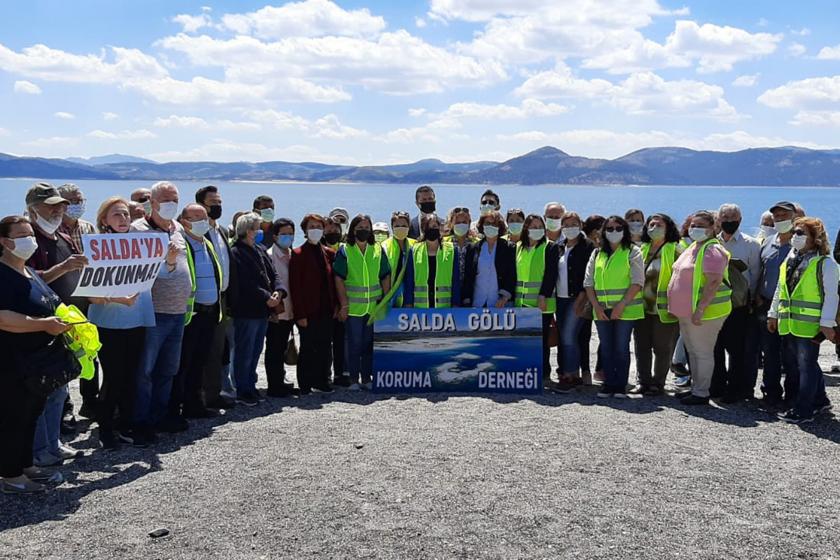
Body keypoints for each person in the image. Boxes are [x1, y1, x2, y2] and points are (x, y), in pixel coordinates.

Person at [0, 216, 77, 493]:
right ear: (4, 242)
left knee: (30, 414)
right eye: (21, 235)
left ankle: (26, 465)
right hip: (11, 361)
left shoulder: (28, 270)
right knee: (13, 417)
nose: (29, 240)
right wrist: (44, 325)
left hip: (37, 361)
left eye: (30, 233)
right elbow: (3, 318)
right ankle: (11, 476)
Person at [24, 183, 87, 465]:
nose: (59, 210)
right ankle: (37, 452)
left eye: (61, 205)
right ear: (33, 208)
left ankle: (53, 443)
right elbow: (27, 281)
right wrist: (62, 268)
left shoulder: (62, 237)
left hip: (66, 324)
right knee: (40, 393)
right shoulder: (28, 239)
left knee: (60, 389)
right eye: (51, 205)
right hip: (39, 326)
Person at [87, 198, 154, 449]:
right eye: (116, 215)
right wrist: (117, 298)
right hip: (109, 324)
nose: (123, 219)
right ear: (104, 220)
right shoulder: (96, 248)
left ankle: (125, 425)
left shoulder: (142, 245)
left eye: (126, 214)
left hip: (137, 321)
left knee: (131, 377)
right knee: (113, 378)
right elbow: (90, 294)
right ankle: (105, 429)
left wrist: (167, 259)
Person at [130, 181, 193, 442]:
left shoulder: (177, 227)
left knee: (168, 369)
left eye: (175, 199)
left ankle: (160, 415)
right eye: (166, 199)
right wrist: (165, 263)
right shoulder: (138, 230)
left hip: (178, 311)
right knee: (145, 371)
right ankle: (140, 421)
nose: (171, 204)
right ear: (153, 203)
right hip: (153, 311)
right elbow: (137, 271)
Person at [768, 217, 838, 424]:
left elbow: (832, 295)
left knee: (806, 365)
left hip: (810, 326)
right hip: (789, 323)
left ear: (815, 238)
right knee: (803, 364)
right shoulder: (790, 258)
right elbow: (780, 289)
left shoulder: (825, 264)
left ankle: (804, 409)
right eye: (794, 232)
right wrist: (773, 313)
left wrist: (827, 323)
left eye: (800, 233)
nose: (795, 236)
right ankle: (820, 400)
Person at [667, 210, 732, 405]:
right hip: (687, 311)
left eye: (701, 226)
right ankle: (696, 388)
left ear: (713, 228)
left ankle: (702, 392)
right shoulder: (694, 247)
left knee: (702, 352)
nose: (695, 229)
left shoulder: (713, 250)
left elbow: (714, 282)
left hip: (705, 313)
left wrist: (701, 309)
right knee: (693, 351)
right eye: (693, 225)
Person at [169, 204, 223, 420]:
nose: (202, 221)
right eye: (196, 217)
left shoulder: (207, 243)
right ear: (184, 221)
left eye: (204, 217)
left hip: (210, 312)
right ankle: (176, 408)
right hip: (191, 315)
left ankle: (195, 405)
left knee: (200, 361)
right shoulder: (181, 244)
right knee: (183, 363)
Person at [584, 216, 643, 398]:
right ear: (603, 231)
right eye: (609, 228)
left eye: (618, 228)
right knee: (606, 347)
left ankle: (620, 385)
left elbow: (637, 281)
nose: (614, 231)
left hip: (626, 309)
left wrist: (621, 305)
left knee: (621, 348)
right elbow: (588, 283)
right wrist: (596, 307)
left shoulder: (633, 251)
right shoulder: (597, 253)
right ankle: (608, 384)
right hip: (601, 309)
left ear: (625, 230)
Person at [57, 183, 100, 422]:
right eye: (72, 201)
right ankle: (64, 408)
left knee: (89, 349)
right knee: (64, 353)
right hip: (64, 299)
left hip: (87, 298)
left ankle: (90, 401)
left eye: (80, 200)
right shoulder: (53, 230)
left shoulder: (88, 227)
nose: (77, 205)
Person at [229, 212, 282, 406]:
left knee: (256, 349)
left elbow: (273, 273)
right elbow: (245, 282)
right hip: (248, 310)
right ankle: (243, 389)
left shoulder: (259, 249)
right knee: (245, 350)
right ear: (247, 230)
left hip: (263, 311)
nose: (260, 231)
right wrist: (266, 297)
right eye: (256, 228)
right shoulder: (236, 252)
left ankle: (250, 385)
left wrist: (278, 291)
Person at [334, 214, 391, 390]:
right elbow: (339, 278)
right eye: (360, 227)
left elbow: (385, 275)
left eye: (367, 227)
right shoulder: (345, 250)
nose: (363, 230)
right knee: (354, 344)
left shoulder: (378, 249)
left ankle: (367, 378)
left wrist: (386, 300)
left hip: (373, 307)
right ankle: (353, 379)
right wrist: (343, 304)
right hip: (353, 308)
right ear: (353, 229)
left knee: (368, 345)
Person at [713, 203, 762, 402]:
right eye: (725, 220)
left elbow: (756, 274)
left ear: (740, 221)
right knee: (714, 348)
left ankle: (735, 389)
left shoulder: (751, 245)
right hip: (714, 304)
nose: (729, 223)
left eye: (733, 220)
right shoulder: (711, 243)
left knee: (736, 350)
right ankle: (716, 386)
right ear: (718, 220)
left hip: (738, 306)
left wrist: (752, 299)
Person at [195, 185, 237, 410]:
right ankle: (200, 397)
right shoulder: (197, 233)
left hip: (222, 298)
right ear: (202, 205)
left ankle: (213, 394)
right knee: (202, 349)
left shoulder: (221, 231)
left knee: (218, 349)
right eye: (213, 203)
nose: (218, 206)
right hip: (203, 300)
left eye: (219, 202)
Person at [631, 213, 682, 396]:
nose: (654, 228)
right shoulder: (640, 248)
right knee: (641, 346)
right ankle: (643, 381)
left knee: (663, 348)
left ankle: (658, 383)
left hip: (664, 309)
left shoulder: (676, 249)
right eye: (651, 224)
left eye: (659, 225)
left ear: (668, 227)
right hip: (640, 307)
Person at [755, 201, 798, 406]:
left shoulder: (801, 244)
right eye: (777, 216)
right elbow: (760, 271)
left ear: (794, 217)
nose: (780, 219)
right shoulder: (767, 242)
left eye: (784, 215)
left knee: (791, 355)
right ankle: (770, 393)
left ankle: (793, 395)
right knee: (770, 353)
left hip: (791, 309)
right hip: (766, 305)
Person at [290, 214, 339, 394]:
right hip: (308, 311)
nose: (315, 230)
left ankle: (323, 380)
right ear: (305, 230)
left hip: (326, 310)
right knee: (308, 347)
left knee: (326, 347)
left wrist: (336, 306)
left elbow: (334, 283)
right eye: (312, 226)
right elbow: (295, 287)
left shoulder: (329, 253)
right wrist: (300, 314)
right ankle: (305, 383)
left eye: (319, 226)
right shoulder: (297, 254)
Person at [553, 212, 595, 391]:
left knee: (570, 336)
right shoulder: (559, 246)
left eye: (574, 224)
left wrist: (581, 298)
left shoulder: (588, 247)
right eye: (566, 224)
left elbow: (589, 276)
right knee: (564, 338)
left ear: (580, 225)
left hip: (578, 299)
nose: (570, 228)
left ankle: (572, 376)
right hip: (560, 300)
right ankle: (567, 372)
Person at [515, 214, 559, 385]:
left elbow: (551, 274)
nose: (537, 230)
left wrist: (544, 294)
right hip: (521, 302)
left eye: (540, 226)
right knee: (524, 339)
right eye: (533, 226)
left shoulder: (550, 247)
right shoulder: (519, 247)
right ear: (526, 228)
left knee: (541, 340)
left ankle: (544, 373)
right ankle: (527, 371)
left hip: (542, 303)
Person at [265, 218, 297, 397]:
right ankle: (274, 386)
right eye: (284, 234)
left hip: (292, 310)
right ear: (275, 236)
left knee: (282, 347)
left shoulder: (292, 254)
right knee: (274, 349)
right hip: (278, 312)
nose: (288, 237)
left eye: (291, 234)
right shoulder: (270, 255)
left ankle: (281, 381)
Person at [404, 214, 461, 309]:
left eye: (434, 226)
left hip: (444, 310)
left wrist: (456, 304)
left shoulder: (452, 250)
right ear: (423, 229)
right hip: (419, 311)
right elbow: (409, 281)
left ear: (439, 227)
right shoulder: (414, 250)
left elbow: (455, 280)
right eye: (428, 227)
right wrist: (408, 304)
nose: (432, 229)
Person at [462, 210, 515, 308]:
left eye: (494, 224)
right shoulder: (472, 248)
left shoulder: (509, 248)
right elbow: (468, 277)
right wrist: (467, 300)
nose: (491, 226)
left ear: (499, 227)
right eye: (487, 223)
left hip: (501, 304)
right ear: (482, 225)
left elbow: (511, 275)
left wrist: (504, 297)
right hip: (477, 304)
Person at [579, 214, 606, 384]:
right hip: (585, 297)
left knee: (605, 335)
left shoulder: (606, 249)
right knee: (583, 335)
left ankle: (600, 369)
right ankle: (586, 371)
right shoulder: (584, 247)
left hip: (602, 297)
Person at [323, 216, 348, 386]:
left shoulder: (344, 249)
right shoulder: (320, 249)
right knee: (325, 342)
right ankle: (325, 374)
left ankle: (340, 373)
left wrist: (342, 304)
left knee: (341, 341)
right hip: (325, 303)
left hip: (342, 302)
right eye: (329, 230)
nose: (333, 233)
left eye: (336, 230)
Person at [381, 211, 413, 307]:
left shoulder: (415, 245)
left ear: (409, 227)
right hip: (389, 296)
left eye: (404, 225)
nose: (400, 228)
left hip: (410, 296)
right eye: (397, 226)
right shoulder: (384, 246)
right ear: (392, 227)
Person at [445, 206, 476, 292]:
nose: (461, 225)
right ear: (451, 224)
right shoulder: (444, 243)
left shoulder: (476, 243)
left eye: (464, 222)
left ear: (469, 223)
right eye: (457, 222)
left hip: (471, 290)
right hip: (450, 289)